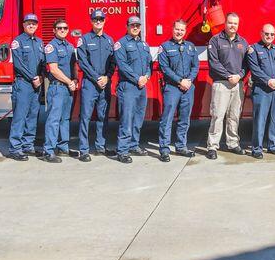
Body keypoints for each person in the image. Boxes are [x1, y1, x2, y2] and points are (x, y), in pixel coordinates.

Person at [205, 12, 249, 160]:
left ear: (238, 25)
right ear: (225, 23)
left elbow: (247, 64)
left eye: (235, 23)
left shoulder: (243, 42)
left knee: (234, 116)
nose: (232, 25)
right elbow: (213, 62)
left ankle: (232, 143)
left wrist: (240, 76)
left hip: (237, 84)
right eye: (230, 22)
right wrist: (228, 76)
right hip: (221, 83)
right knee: (217, 115)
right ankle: (212, 146)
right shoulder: (215, 40)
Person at [76, 10, 115, 162]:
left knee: (103, 116)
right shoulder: (84, 40)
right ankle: (84, 149)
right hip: (90, 85)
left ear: (105, 21)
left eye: (101, 19)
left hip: (104, 83)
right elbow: (83, 62)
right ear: (91, 21)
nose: (98, 21)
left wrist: (107, 77)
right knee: (85, 117)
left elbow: (113, 62)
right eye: (95, 19)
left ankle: (100, 147)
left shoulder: (110, 40)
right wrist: (97, 77)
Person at [157, 19, 199, 160]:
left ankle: (181, 146)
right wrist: (180, 81)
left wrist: (188, 81)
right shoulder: (165, 47)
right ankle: (164, 149)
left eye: (182, 30)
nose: (179, 32)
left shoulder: (191, 47)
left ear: (185, 31)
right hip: (172, 88)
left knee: (184, 119)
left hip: (188, 88)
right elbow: (165, 68)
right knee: (167, 118)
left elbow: (195, 67)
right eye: (177, 29)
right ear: (172, 29)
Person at [114, 16, 152, 163]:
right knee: (127, 118)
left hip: (142, 86)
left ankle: (134, 145)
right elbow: (122, 65)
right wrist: (137, 78)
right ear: (127, 26)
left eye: (137, 25)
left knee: (138, 117)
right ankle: (122, 150)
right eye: (132, 25)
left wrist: (147, 76)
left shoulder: (143, 44)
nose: (135, 27)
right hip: (128, 86)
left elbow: (149, 63)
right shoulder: (121, 44)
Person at [8, 13, 44, 161]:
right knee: (20, 116)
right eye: (28, 23)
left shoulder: (39, 42)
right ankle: (15, 148)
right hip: (23, 84)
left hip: (36, 84)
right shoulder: (18, 42)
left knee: (32, 116)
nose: (31, 25)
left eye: (34, 23)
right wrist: (33, 77)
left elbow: (42, 62)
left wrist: (41, 76)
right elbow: (18, 64)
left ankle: (28, 145)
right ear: (23, 25)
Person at [247, 24, 275, 159]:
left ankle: (273, 146)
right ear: (261, 33)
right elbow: (255, 69)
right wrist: (268, 80)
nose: (269, 37)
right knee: (260, 119)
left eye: (272, 34)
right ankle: (257, 148)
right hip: (261, 89)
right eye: (267, 34)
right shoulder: (254, 49)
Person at [42, 19, 77, 163]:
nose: (62, 30)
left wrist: (75, 79)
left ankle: (63, 147)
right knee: (54, 119)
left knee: (65, 119)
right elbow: (54, 70)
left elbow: (74, 66)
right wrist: (69, 82)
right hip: (57, 87)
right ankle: (48, 150)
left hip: (68, 88)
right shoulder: (51, 46)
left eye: (65, 28)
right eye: (59, 28)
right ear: (54, 30)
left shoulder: (69, 46)